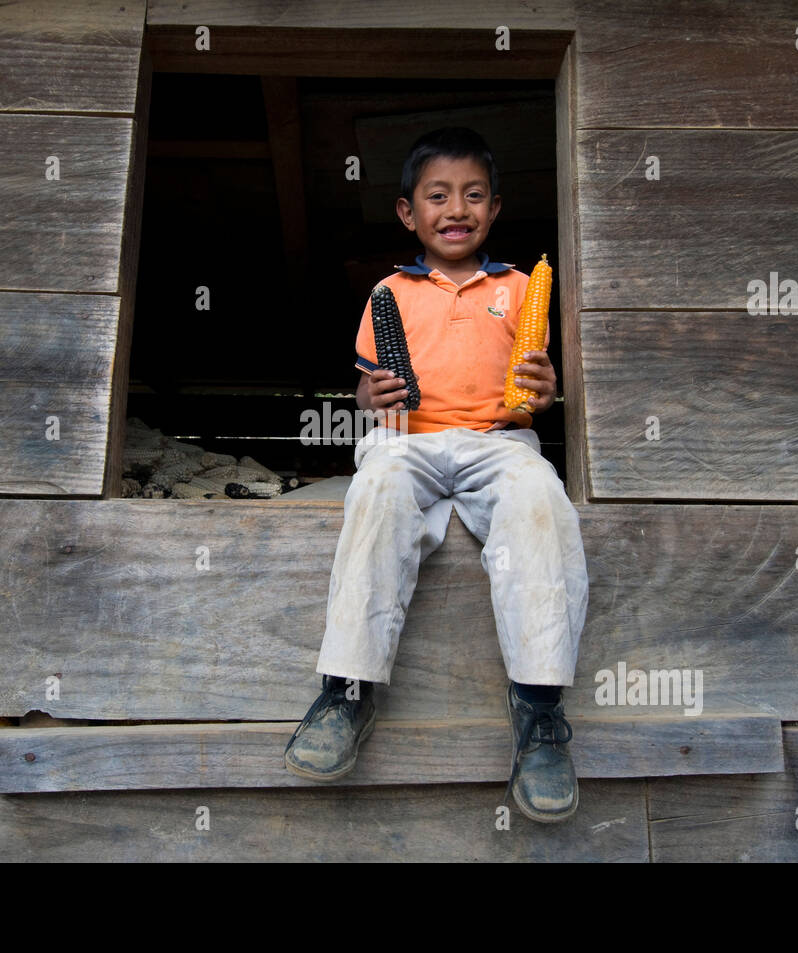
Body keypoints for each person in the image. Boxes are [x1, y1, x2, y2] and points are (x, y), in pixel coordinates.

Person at [283, 127, 589, 823]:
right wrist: (372, 399)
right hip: (409, 440)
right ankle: (347, 691)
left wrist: (541, 391)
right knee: (376, 489)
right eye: (438, 196)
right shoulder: (389, 292)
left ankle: (539, 709)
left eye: (474, 195)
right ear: (407, 212)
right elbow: (365, 389)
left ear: (496, 207)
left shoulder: (516, 288)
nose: (457, 209)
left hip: (497, 440)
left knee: (542, 501)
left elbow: (536, 383)